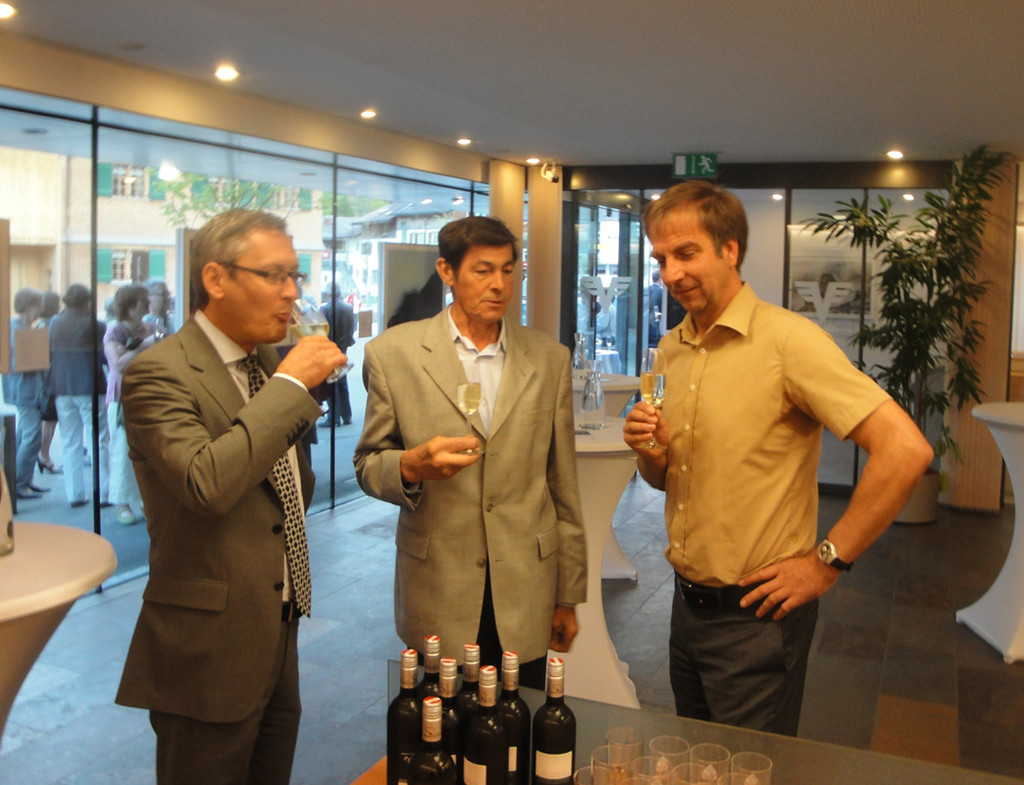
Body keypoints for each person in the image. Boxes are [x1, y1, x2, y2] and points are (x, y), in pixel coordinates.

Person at [623, 181, 933, 736]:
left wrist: (826, 562)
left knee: (751, 769)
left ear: (730, 249)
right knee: (698, 760)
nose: (671, 274)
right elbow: (664, 478)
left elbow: (906, 450)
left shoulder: (789, 342)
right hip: (685, 608)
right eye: (661, 259)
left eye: (686, 253)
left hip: (758, 620)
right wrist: (651, 449)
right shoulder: (671, 348)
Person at [115, 208, 344, 785]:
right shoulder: (158, 372)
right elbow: (206, 484)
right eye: (274, 275)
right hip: (206, 647)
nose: (292, 293)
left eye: (295, 275)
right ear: (216, 279)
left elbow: (291, 487)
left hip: (277, 625)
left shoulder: (264, 362)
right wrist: (291, 386)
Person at [354, 216, 587, 687]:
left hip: (526, 584)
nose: (499, 285)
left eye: (508, 270)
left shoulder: (548, 358)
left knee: (521, 716)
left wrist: (569, 595)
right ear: (447, 271)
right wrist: (410, 466)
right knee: (439, 719)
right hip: (437, 583)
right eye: (482, 271)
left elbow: (562, 484)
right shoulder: (393, 354)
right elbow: (368, 462)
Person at [49, 284, 110, 508]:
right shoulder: (96, 325)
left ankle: (75, 494)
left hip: (63, 387)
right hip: (90, 387)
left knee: (70, 442)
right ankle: (103, 493)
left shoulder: (54, 324)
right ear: (86, 302)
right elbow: (104, 357)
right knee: (98, 441)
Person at [103, 284, 156, 525]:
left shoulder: (152, 327)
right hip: (123, 399)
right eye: (143, 300)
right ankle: (122, 503)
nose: (148, 303)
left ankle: (147, 499)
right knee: (123, 451)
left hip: (150, 394)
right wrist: (144, 346)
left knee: (151, 451)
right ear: (131, 304)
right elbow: (119, 365)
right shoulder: (115, 331)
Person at [2, 287, 50, 499]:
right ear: (29, 307)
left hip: (23, 390)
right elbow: (21, 363)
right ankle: (19, 483)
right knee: (32, 436)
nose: (41, 310)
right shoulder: (19, 331)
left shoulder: (15, 327)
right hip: (25, 390)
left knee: (23, 434)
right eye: (39, 306)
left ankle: (22, 479)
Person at [319, 282, 356, 427]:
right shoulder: (349, 308)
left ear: (327, 294)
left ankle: (333, 419)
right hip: (343, 348)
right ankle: (347, 416)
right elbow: (353, 328)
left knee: (331, 383)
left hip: (329, 349)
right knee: (342, 381)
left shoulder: (324, 309)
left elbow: (321, 332)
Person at [37, 290, 62, 475]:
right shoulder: (49, 325)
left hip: (47, 375)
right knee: (49, 418)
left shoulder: (41, 324)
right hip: (50, 375)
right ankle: (44, 455)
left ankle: (44, 455)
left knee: (49, 419)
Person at [647, 270, 664, 347]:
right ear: (660, 278)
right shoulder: (661, 292)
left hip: (646, 325)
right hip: (656, 327)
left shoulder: (647, 290)